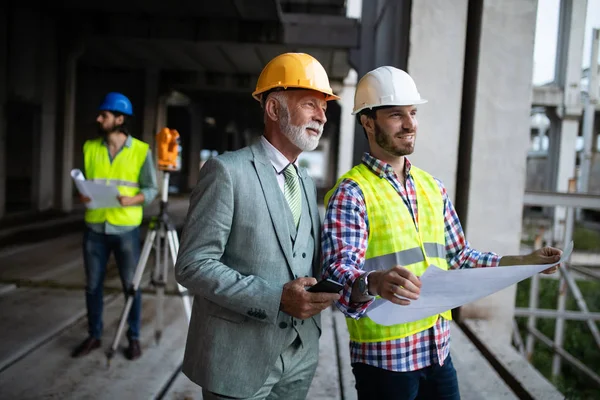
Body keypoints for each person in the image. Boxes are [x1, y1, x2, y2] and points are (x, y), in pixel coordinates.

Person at [321, 66, 562, 400]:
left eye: (413, 113)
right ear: (367, 122)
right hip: (386, 362)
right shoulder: (352, 192)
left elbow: (459, 258)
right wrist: (373, 282)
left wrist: (524, 262)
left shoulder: (432, 187)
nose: (410, 124)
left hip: (437, 352)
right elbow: (336, 275)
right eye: (396, 115)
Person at [174, 53, 341, 400]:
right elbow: (192, 265)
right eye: (311, 103)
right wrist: (275, 298)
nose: (322, 116)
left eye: (324, 107)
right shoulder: (226, 172)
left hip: (300, 355)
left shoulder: (307, 182)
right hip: (239, 359)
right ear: (274, 109)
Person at [71, 92, 158, 361]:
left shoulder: (141, 151)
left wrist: (132, 199)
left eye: (104, 115)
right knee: (92, 286)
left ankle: (133, 338)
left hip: (125, 229)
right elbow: (89, 184)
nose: (98, 118)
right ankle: (94, 335)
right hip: (95, 227)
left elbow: (151, 189)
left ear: (119, 119)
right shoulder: (90, 148)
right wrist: (83, 195)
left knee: (131, 286)